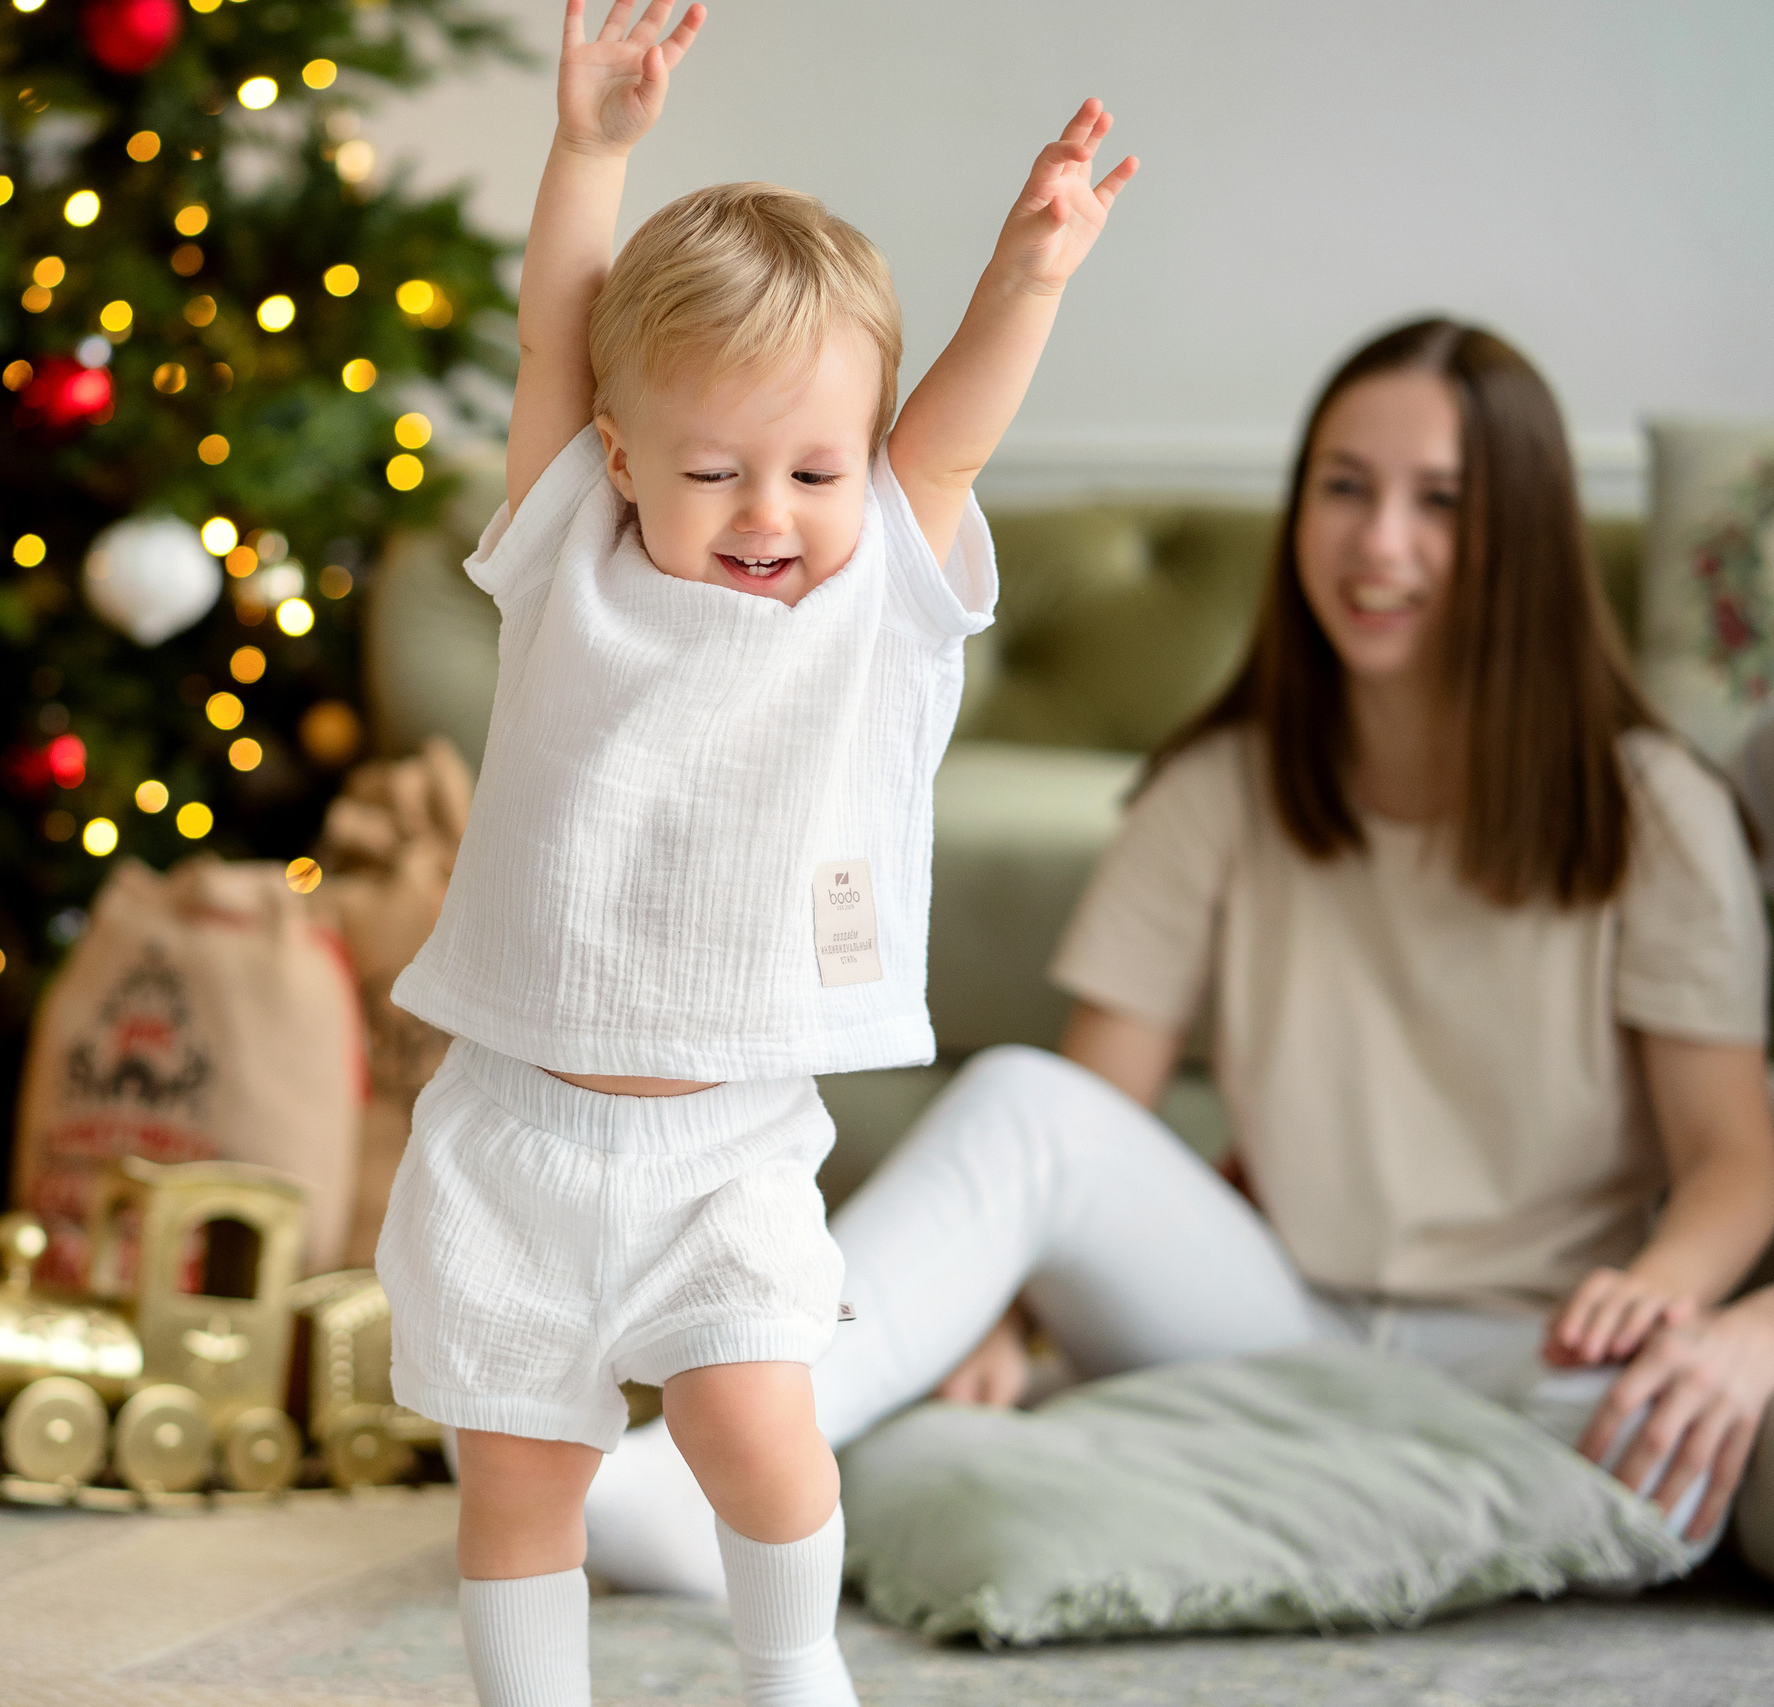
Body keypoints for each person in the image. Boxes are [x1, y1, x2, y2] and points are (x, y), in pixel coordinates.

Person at [582, 316, 1774, 1602]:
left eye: (1440, 503)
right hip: (1273, 1321)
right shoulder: (1216, 788)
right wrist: (1002, 1308)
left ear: (1523, 535)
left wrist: (1666, 1294)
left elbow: (1732, 1157)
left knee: (1688, 1436)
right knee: (1022, 1100)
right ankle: (716, 1481)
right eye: (1344, 489)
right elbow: (1090, 1121)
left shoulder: (1652, 807)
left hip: (1534, 1345)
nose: (1379, 543)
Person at [371, 1, 1137, 1700]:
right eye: (713, 469)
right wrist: (590, 149)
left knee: (758, 1431)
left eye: (813, 469)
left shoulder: (874, 594)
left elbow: (950, 437)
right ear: (620, 457)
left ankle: (796, 1672)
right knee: (518, 1480)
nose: (767, 513)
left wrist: (1028, 274)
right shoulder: (567, 552)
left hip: (723, 1150)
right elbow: (554, 341)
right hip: (514, 1137)